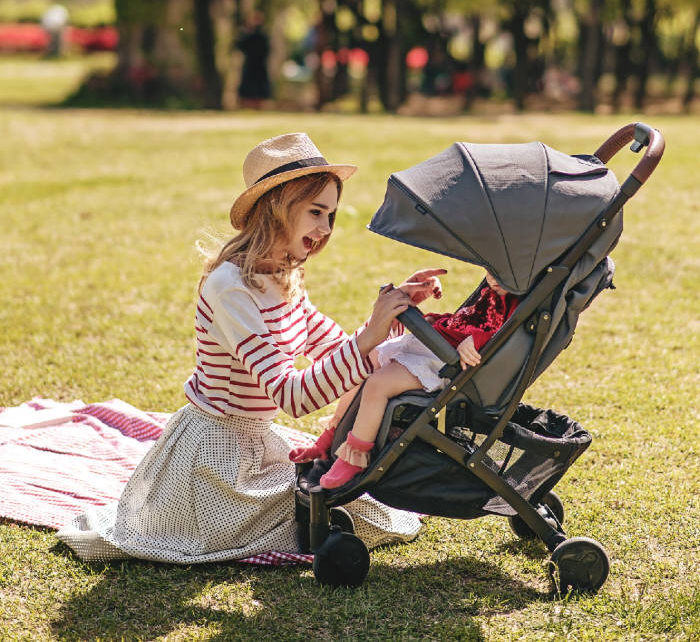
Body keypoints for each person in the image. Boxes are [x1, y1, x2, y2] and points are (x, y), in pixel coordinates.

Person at [57, 132, 442, 562]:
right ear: (278, 207)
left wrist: (390, 318)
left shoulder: (283, 275)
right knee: (318, 506)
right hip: (212, 456)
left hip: (257, 441)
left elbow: (336, 348)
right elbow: (292, 396)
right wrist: (369, 334)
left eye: (331, 215)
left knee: (357, 501)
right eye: (316, 212)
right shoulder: (231, 288)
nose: (325, 228)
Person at [290, 271, 519, 489]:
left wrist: (476, 340)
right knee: (366, 360)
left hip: (442, 363)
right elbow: (466, 320)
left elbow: (504, 336)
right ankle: (331, 435)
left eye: (502, 272)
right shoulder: (492, 291)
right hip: (433, 344)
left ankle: (355, 457)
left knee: (378, 384)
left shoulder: (516, 302)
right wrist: (437, 320)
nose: (492, 276)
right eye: (490, 269)